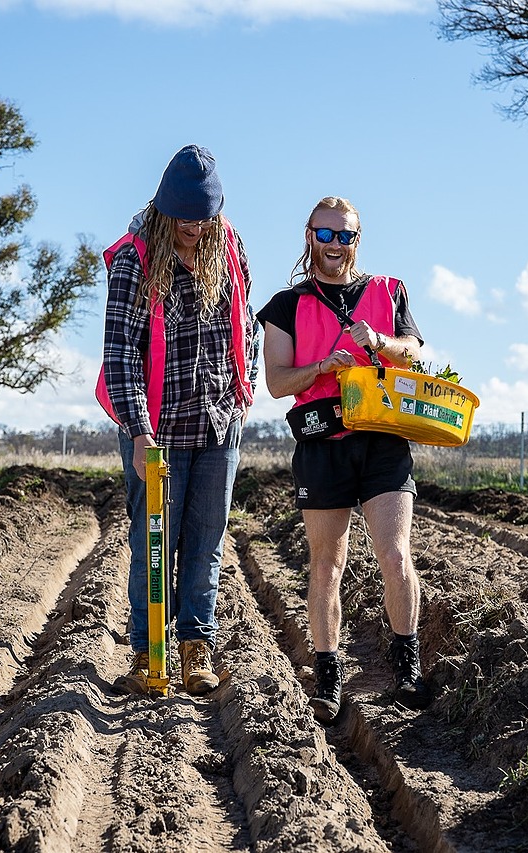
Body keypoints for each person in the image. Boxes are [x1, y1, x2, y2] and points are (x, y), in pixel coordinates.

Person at [256, 196, 429, 724]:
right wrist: (320, 367)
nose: (335, 245)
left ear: (358, 238)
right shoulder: (287, 304)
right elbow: (276, 383)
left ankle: (408, 668)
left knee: (394, 553)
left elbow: (416, 351)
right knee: (326, 562)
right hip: (320, 443)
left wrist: (379, 342)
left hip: (382, 439)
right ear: (309, 234)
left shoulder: (388, 291)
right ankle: (327, 677)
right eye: (325, 234)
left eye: (345, 235)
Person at [100, 144, 256, 696]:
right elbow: (120, 352)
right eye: (184, 219)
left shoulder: (228, 247)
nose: (194, 229)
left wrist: (246, 386)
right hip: (157, 429)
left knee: (206, 539)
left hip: (219, 421)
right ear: (166, 210)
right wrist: (140, 433)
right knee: (153, 540)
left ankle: (195, 646)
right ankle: (148, 652)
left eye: (204, 218)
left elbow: (247, 323)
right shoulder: (135, 259)